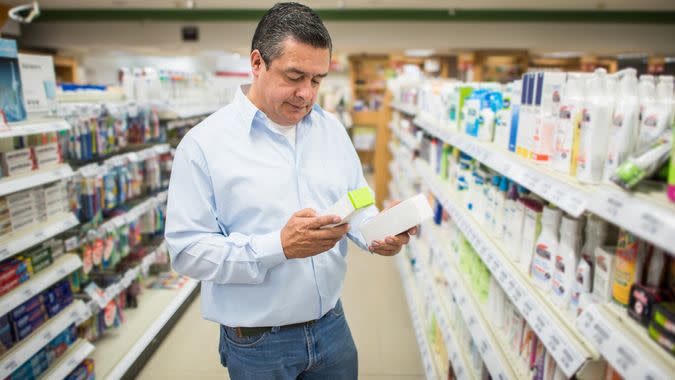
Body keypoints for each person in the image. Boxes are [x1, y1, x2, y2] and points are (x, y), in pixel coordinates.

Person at [164, 3, 416, 379]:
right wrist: (278, 246)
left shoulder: (330, 130)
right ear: (257, 63)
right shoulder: (203, 145)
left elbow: (357, 200)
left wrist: (378, 233)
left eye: (316, 80)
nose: (306, 94)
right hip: (258, 344)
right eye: (294, 76)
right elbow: (186, 251)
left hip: (332, 327)